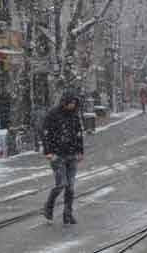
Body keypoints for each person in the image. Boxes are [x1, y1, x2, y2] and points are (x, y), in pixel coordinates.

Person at [43, 92, 84, 225]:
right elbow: (46, 133)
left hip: (71, 154)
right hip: (57, 155)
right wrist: (48, 151)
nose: (72, 106)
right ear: (64, 102)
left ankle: (68, 214)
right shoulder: (53, 114)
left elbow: (78, 134)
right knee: (61, 184)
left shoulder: (74, 116)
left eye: (74, 103)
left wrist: (80, 151)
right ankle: (49, 206)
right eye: (70, 103)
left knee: (70, 186)